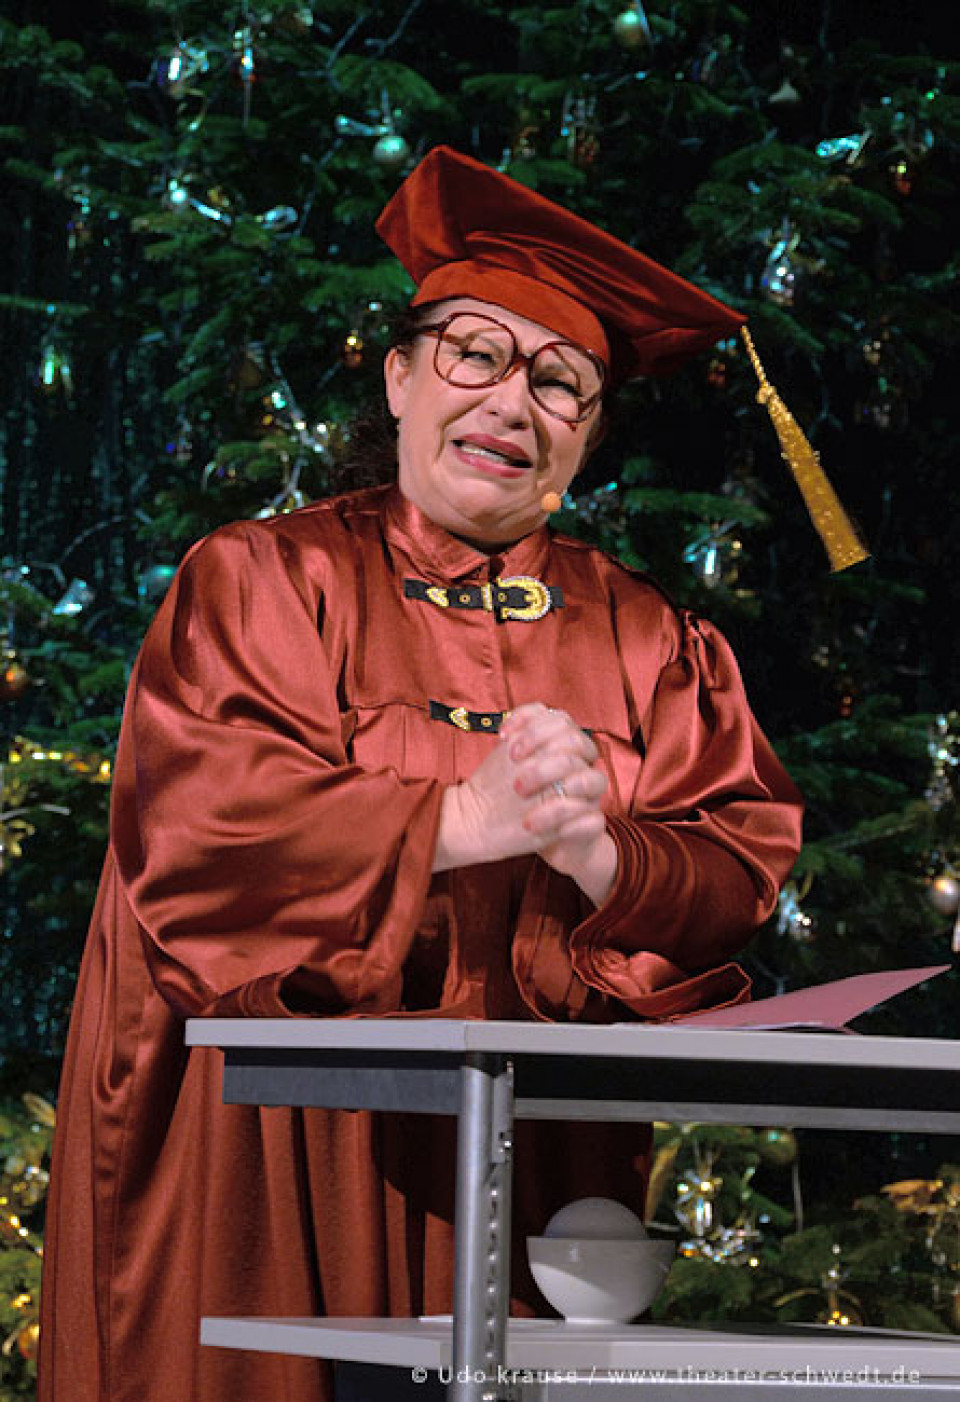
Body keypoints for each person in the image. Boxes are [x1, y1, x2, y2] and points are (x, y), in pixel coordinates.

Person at [38, 146, 803, 1402]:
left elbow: (735, 855)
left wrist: (608, 857)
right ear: (399, 377)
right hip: (278, 1151)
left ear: (588, 434)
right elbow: (196, 834)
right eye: (475, 354)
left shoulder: (648, 638)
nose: (512, 404)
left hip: (535, 1162)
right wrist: (454, 818)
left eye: (559, 382)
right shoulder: (263, 581)